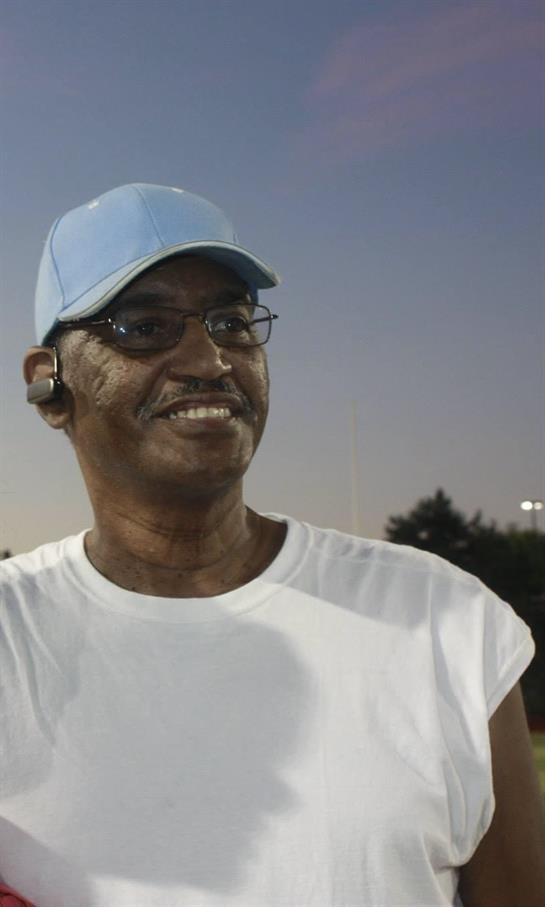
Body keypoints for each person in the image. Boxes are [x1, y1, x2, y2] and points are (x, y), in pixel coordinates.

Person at [1, 183, 544, 907]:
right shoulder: (11, 633)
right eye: (143, 325)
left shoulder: (443, 619)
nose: (209, 358)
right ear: (50, 383)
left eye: (230, 320)